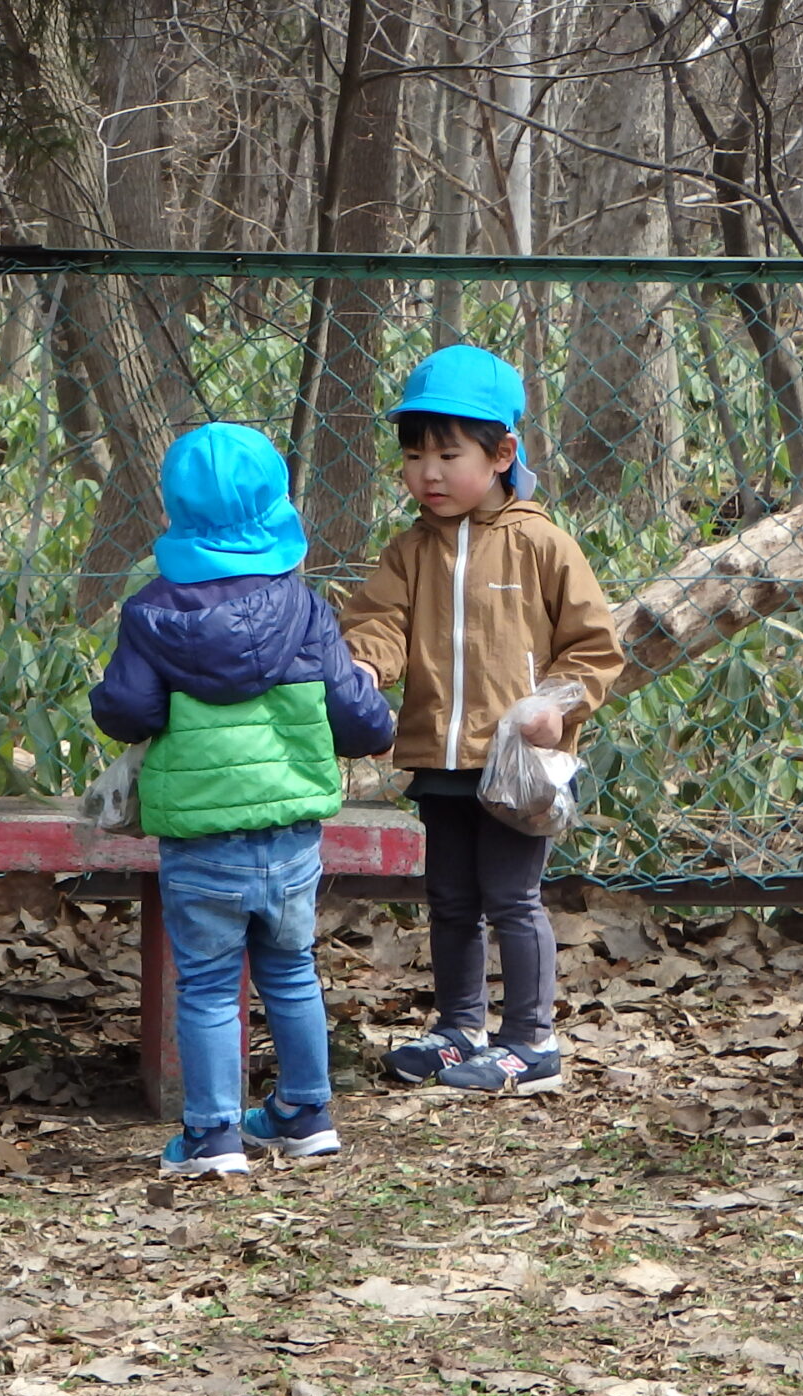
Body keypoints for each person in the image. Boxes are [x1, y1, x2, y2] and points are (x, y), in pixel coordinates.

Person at [91, 424, 395, 1179]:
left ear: (174, 514)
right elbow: (358, 719)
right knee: (291, 970)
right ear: (275, 510)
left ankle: (213, 1134)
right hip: (289, 833)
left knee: (205, 984)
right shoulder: (308, 611)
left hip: (200, 840)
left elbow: (128, 711)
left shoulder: (153, 614)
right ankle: (307, 1112)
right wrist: (379, 715)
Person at [338, 345, 625, 1095]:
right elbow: (379, 622)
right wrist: (366, 664)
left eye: (447, 453)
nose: (427, 473)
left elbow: (594, 648)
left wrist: (555, 704)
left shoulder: (543, 545)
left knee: (512, 897)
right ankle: (459, 1025)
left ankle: (531, 1039)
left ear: (502, 454)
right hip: (439, 754)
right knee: (451, 897)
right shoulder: (409, 551)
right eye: (413, 455)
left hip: (517, 764)